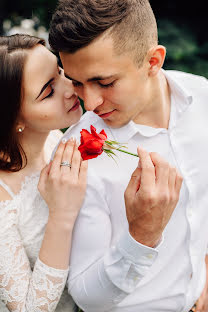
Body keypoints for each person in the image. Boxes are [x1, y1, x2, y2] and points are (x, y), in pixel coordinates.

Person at [48, 0, 208, 311]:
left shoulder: (202, 97)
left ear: (153, 61)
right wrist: (142, 235)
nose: (90, 104)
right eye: (77, 83)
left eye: (104, 82)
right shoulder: (75, 154)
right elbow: (87, 297)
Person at [0, 34, 88, 312]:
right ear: (13, 117)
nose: (71, 88)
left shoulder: (55, 138)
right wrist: (61, 216)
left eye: (61, 72)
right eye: (48, 91)